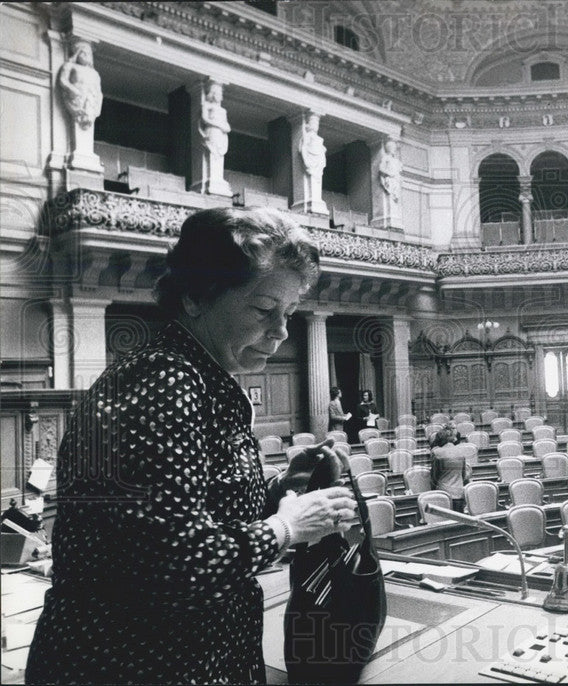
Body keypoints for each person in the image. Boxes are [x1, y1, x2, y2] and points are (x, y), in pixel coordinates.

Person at [25, 207, 359, 685]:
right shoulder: (164, 383)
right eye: (264, 310)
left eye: (288, 313)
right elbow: (176, 564)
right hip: (132, 665)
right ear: (196, 298)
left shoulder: (197, 376)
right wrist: (286, 527)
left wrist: (283, 486)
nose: (282, 332)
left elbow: (191, 511)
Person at [429, 425, 472, 512]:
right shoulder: (461, 452)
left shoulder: (437, 453)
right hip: (459, 493)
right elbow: (463, 476)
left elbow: (434, 477)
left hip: (443, 494)